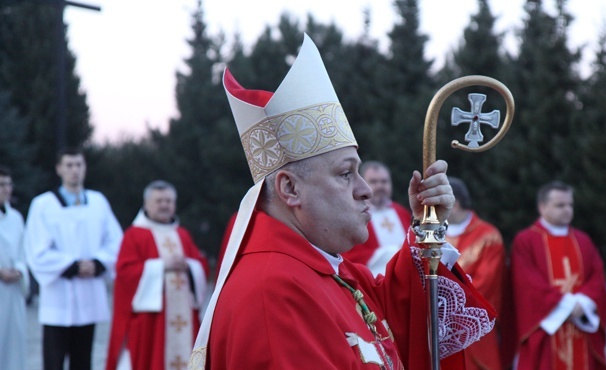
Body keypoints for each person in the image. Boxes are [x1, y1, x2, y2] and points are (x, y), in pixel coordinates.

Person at [188, 34, 496, 370]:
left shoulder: (330, 270)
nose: (366, 190)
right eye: (345, 173)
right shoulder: (273, 291)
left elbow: (396, 318)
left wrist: (427, 228)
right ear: (290, 189)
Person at [24, 147, 123, 370]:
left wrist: (97, 263)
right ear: (59, 169)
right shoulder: (43, 205)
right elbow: (35, 249)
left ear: (85, 167)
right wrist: (72, 265)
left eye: (79, 165)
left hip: (89, 294)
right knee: (54, 360)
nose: (74, 170)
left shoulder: (98, 202)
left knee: (83, 360)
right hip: (58, 294)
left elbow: (116, 242)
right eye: (69, 165)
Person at [106, 180, 210, 370]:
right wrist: (162, 266)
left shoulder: (182, 234)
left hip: (184, 314)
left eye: (168, 201)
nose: (164, 205)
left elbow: (202, 267)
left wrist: (189, 266)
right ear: (146, 204)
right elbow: (125, 273)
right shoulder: (134, 235)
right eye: (159, 201)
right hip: (152, 321)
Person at [510, 181, 606, 369]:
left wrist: (583, 302)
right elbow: (527, 283)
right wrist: (568, 305)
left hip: (581, 324)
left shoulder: (583, 240)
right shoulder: (526, 240)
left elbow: (597, 277)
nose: (567, 210)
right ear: (542, 207)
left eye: (570, 205)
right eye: (560, 205)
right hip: (547, 328)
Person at [446, 177, 506, 370]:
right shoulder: (432, 234)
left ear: (454, 204)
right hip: (437, 330)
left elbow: (485, 285)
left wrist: (444, 306)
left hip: (475, 330)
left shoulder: (489, 236)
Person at [341, 161, 412, 276]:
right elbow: (352, 256)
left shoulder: (401, 211)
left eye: (384, 181)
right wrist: (398, 251)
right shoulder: (353, 214)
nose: (380, 186)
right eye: (373, 182)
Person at [0, 165, 29, 370]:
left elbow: (24, 250)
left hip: (12, 293)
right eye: (1, 185)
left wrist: (19, 269)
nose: (7, 189)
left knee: (12, 348)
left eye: (9, 184)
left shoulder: (16, 218)